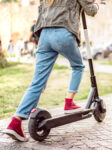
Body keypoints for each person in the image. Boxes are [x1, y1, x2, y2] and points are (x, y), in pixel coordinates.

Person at [5, 0, 101, 142]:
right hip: (63, 33)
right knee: (78, 66)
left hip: (44, 35)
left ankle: (15, 121)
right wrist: (97, 3)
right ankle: (69, 102)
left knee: (37, 82)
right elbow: (91, 10)